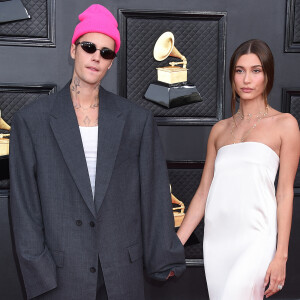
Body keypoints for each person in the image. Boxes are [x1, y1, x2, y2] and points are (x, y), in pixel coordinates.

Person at [9, 4, 185, 300]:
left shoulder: (136, 121)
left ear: (111, 62)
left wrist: (163, 258)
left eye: (106, 52)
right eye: (89, 46)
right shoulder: (31, 121)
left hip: (121, 275)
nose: (96, 56)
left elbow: (155, 195)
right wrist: (39, 272)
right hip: (60, 276)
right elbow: (24, 207)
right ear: (73, 49)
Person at [177, 39, 300, 300]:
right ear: (232, 76)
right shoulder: (219, 130)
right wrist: (176, 245)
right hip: (218, 239)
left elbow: (285, 193)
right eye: (239, 70)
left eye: (256, 70)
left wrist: (281, 255)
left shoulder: (285, 124)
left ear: (268, 75)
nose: (247, 79)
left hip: (256, 238)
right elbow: (202, 193)